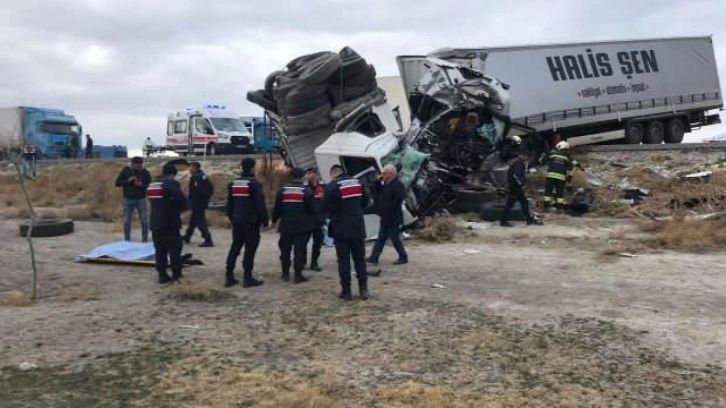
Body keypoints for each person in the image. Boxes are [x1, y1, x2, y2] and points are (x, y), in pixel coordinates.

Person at [323, 164, 370, 301]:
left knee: (343, 261)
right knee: (360, 259)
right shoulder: (358, 183)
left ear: (333, 174)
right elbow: (365, 202)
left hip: (340, 229)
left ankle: (347, 291)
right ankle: (363, 290)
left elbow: (325, 206)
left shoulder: (332, 186)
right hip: (357, 227)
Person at [225, 157, 269, 288]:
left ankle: (229, 275)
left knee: (235, 247)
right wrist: (265, 220)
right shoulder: (254, 183)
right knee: (250, 248)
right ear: (252, 168)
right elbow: (259, 204)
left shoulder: (233, 183)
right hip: (250, 221)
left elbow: (229, 205)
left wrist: (232, 218)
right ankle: (247, 277)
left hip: (237, 220)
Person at [147, 161, 189, 283]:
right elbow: (180, 199)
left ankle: (162, 274)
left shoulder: (152, 184)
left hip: (155, 221)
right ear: (173, 174)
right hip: (169, 221)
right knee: (175, 248)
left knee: (160, 249)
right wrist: (184, 207)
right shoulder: (171, 182)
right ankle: (176, 274)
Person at [272, 167, 315, 284]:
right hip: (302, 226)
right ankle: (297, 275)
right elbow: (312, 209)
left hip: (286, 225)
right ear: (302, 176)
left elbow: (277, 208)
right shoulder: (306, 191)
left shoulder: (282, 191)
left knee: (285, 250)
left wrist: (274, 220)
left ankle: (285, 274)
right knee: (299, 250)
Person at [367, 164, 408, 265]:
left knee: (394, 238)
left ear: (390, 174)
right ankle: (374, 257)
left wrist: (388, 207)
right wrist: (377, 180)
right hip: (385, 216)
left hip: (393, 216)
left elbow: (398, 199)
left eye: (384, 173)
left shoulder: (398, 184)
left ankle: (403, 256)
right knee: (381, 238)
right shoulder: (385, 184)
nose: (382, 175)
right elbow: (374, 189)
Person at [500, 137, 539, 227]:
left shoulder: (518, 162)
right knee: (510, 204)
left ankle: (529, 220)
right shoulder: (519, 163)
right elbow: (516, 175)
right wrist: (521, 184)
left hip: (516, 186)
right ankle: (503, 221)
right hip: (515, 186)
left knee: (524, 202)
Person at [114, 157, 152, 242]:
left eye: (140, 165)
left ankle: (144, 240)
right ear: (132, 164)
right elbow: (117, 183)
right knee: (127, 220)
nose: (138, 167)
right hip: (128, 199)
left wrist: (142, 184)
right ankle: (127, 240)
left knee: (144, 220)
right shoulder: (126, 171)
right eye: (136, 165)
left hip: (141, 199)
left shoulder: (145, 172)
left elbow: (150, 184)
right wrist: (128, 181)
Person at [183, 161, 214, 247]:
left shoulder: (196, 177)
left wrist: (192, 201)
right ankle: (187, 236)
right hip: (202, 202)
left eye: (191, 167)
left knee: (200, 221)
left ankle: (208, 239)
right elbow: (210, 189)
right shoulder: (204, 176)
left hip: (197, 202)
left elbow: (195, 191)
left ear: (195, 168)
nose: (189, 169)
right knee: (193, 220)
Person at [543, 141, 578, 212]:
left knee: (548, 192)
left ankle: (546, 208)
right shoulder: (567, 156)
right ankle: (559, 208)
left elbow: (543, 160)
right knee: (560, 193)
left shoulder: (552, 154)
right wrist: (569, 178)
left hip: (550, 177)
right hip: (561, 178)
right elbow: (571, 167)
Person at [304, 166, 325, 271]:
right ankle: (302, 262)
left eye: (310, 173)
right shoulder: (304, 188)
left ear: (316, 175)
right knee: (303, 242)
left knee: (318, 242)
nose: (308, 175)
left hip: (318, 220)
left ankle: (314, 263)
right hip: (306, 219)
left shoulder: (322, 187)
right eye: (307, 173)